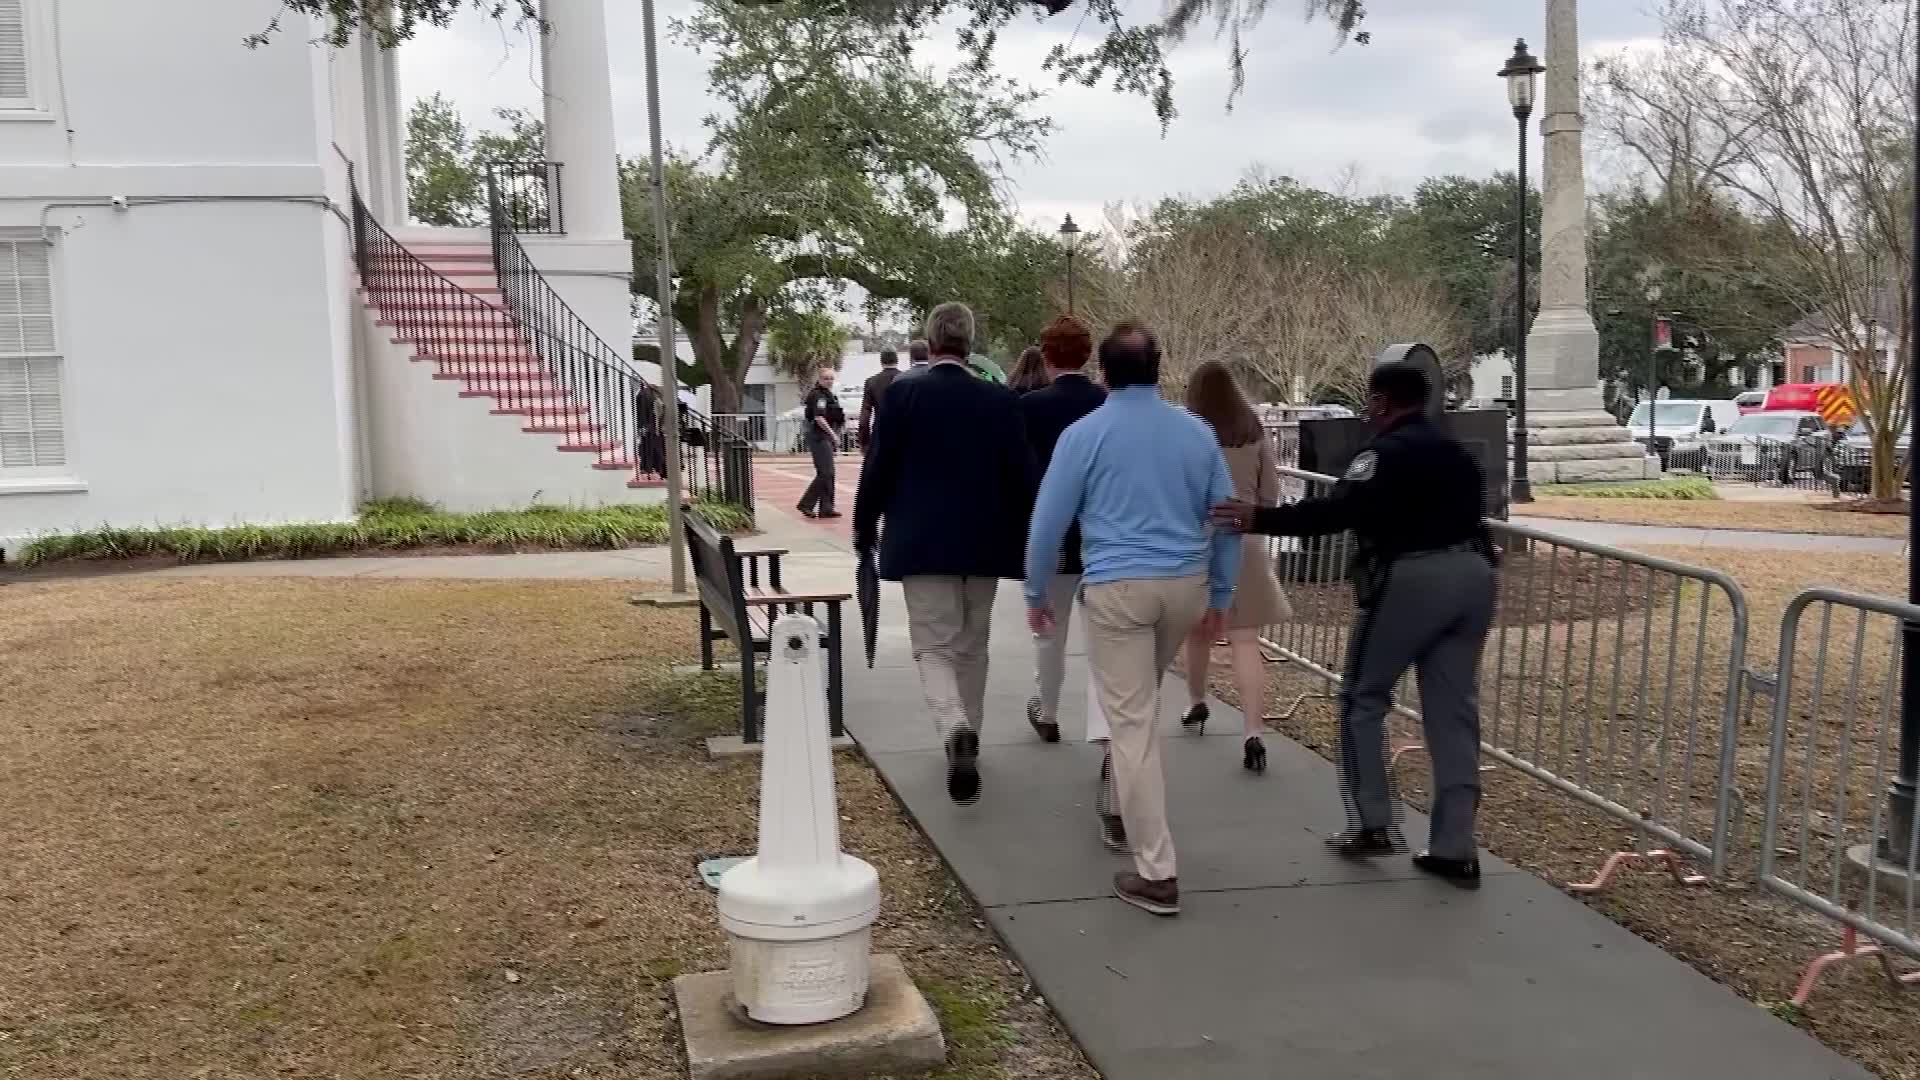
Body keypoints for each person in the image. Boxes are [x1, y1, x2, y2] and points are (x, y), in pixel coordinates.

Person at [1212, 362, 1497, 889]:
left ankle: (1373, 821)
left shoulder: (1381, 455)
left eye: (1371, 401)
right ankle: (1456, 845)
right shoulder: (1458, 453)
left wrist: (1256, 517)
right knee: (1453, 713)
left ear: (1383, 402)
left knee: (1364, 697)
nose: (1367, 410)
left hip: (1411, 580)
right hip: (1475, 578)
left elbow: (1335, 513)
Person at [1026, 320, 1239, 917]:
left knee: (1132, 723)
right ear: (1159, 367)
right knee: (1137, 706)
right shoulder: (1197, 434)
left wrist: (1036, 588)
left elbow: (1048, 521)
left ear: (1104, 371)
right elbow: (1225, 515)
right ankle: (1122, 803)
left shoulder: (1084, 434)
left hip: (1118, 585)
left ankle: (1156, 867)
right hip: (1186, 585)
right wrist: (1220, 594)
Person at [854, 302, 1037, 805]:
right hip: (984, 543)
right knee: (973, 644)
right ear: (969, 343)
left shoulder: (904, 394)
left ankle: (955, 726)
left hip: (921, 540)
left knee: (933, 645)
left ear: (931, 342)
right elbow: (1023, 479)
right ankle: (969, 737)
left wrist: (864, 527)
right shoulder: (999, 401)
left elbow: (878, 469)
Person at [1180, 360, 1291, 775]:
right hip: (1247, 540)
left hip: (1201, 540)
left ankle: (1196, 702)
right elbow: (1270, 495)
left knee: (1199, 633)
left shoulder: (1190, 432)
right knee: (1247, 641)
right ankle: (1253, 731)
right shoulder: (1253, 431)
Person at [1016, 316, 1105, 744]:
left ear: (1046, 355)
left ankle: (1048, 710)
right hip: (1103, 538)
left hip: (1053, 535)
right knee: (1105, 642)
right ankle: (1104, 727)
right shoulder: (1107, 404)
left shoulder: (1030, 408)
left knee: (1050, 631)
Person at [796, 366, 845, 519]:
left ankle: (826, 508)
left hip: (825, 437)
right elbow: (819, 418)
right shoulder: (819, 396)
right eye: (826, 378)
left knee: (829, 474)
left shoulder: (829, 395)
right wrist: (833, 435)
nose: (829, 381)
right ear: (819, 379)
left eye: (831, 378)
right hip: (819, 436)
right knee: (826, 472)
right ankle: (806, 504)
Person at [857, 347, 901, 450]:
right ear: (897, 360)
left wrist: (864, 442)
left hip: (880, 433)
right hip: (904, 433)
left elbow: (865, 415)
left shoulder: (871, 382)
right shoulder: (907, 378)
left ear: (881, 361)